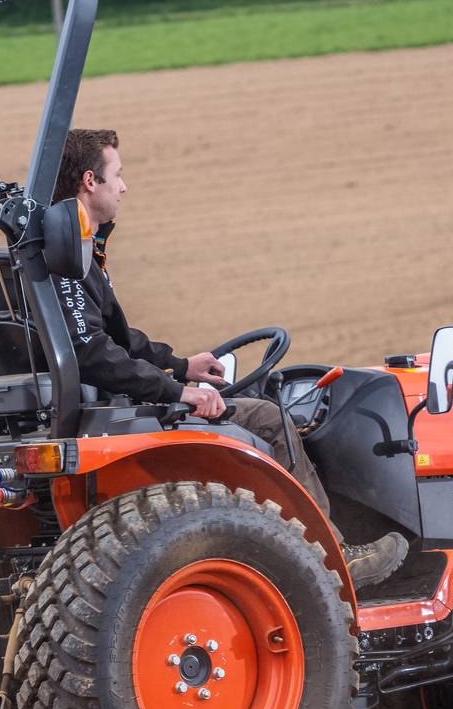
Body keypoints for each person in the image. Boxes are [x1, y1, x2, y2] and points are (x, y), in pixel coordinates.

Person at [50, 128, 408, 590]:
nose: (124, 186)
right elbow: (95, 354)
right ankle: (334, 562)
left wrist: (181, 366)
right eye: (117, 174)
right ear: (89, 182)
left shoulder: (68, 252)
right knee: (268, 419)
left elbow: (114, 340)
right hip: (111, 413)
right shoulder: (66, 260)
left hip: (99, 404)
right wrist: (180, 393)